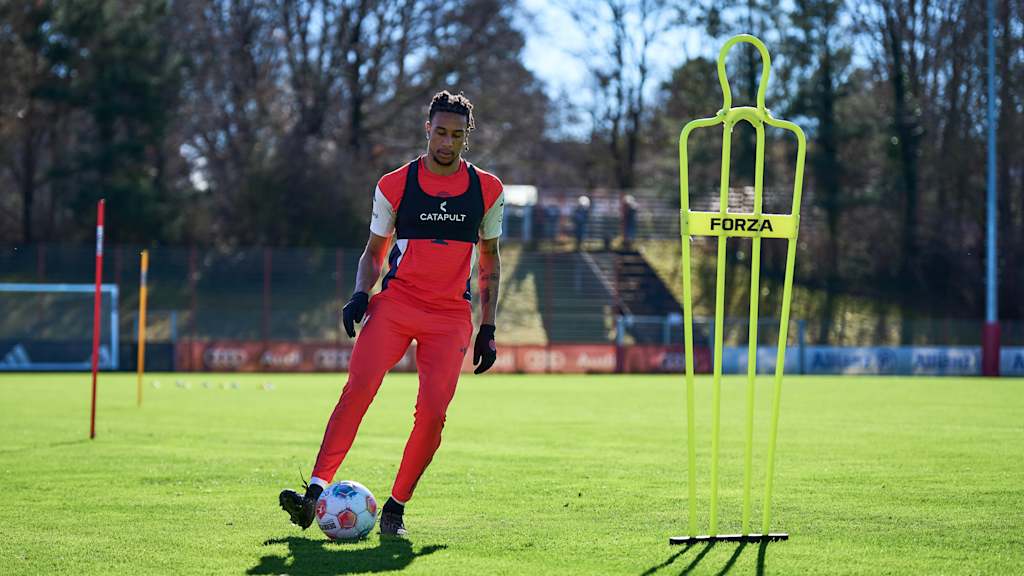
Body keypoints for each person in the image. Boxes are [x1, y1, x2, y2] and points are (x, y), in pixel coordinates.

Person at [279, 91, 504, 538]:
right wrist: (360, 294)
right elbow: (374, 250)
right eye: (440, 131)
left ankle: (396, 509)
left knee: (434, 415)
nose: (447, 141)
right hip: (396, 305)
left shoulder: (489, 190)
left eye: (457, 135)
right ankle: (314, 493)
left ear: (467, 137)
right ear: (427, 129)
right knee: (358, 389)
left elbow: (491, 261)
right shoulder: (394, 184)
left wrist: (489, 327)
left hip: (449, 317)